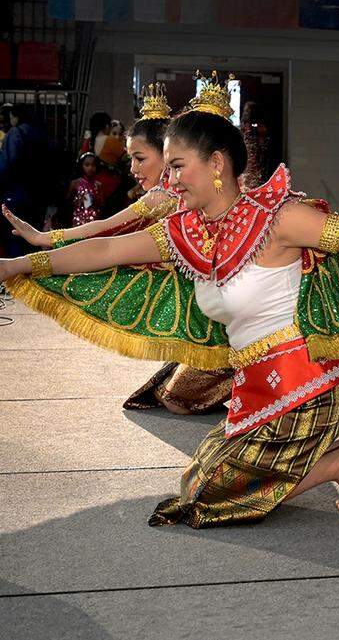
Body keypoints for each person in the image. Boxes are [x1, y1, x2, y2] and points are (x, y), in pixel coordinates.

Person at [1, 72, 339, 527]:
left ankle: (335, 460)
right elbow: (108, 249)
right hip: (253, 386)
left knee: (211, 495)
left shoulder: (278, 219)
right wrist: (18, 265)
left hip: (309, 385)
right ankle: (334, 460)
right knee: (195, 482)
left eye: (178, 166)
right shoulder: (185, 231)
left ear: (216, 163)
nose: (170, 180)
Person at [3, 83, 235, 417]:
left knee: (176, 399)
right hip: (223, 323)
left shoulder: (194, 209)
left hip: (257, 337)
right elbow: (106, 236)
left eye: (141, 158)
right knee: (166, 396)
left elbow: (107, 242)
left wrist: (28, 256)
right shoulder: (174, 207)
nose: (133, 169)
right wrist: (42, 244)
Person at [0, 104, 52, 258]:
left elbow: (7, 165)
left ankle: (16, 278)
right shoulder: (43, 135)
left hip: (16, 194)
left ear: (16, 116)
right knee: (32, 238)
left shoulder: (16, 133)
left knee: (14, 237)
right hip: (38, 196)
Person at [68, 153, 103, 227]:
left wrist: (94, 199)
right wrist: (78, 200)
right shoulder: (75, 183)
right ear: (81, 166)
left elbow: (101, 204)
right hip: (78, 219)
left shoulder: (98, 185)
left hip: (93, 220)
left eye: (93, 165)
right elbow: (67, 201)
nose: (90, 168)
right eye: (87, 165)